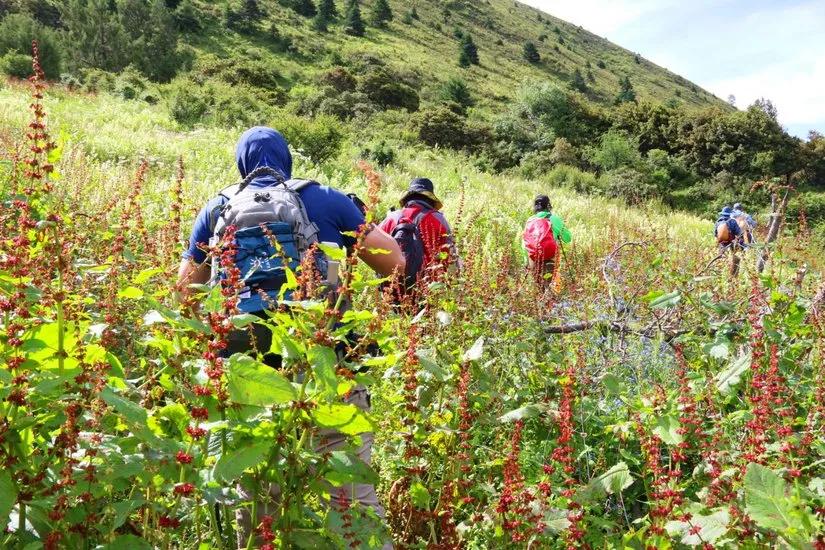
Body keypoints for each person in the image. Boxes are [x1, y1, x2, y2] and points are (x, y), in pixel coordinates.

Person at [176, 126, 403, 548]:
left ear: (241, 163)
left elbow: (184, 292)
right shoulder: (326, 198)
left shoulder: (217, 208)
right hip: (324, 363)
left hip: (249, 374)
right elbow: (394, 261)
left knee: (259, 494)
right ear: (287, 159)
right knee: (351, 496)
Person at [378, 178, 460, 290]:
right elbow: (450, 257)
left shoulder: (392, 218)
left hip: (391, 288)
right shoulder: (438, 220)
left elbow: (375, 250)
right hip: (427, 289)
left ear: (408, 198)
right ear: (430, 199)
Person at [522, 195, 571, 286]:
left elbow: (524, 243)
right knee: (548, 286)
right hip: (550, 258)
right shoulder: (554, 219)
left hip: (533, 258)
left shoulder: (530, 220)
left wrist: (526, 262)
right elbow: (568, 239)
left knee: (537, 287)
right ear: (548, 205)